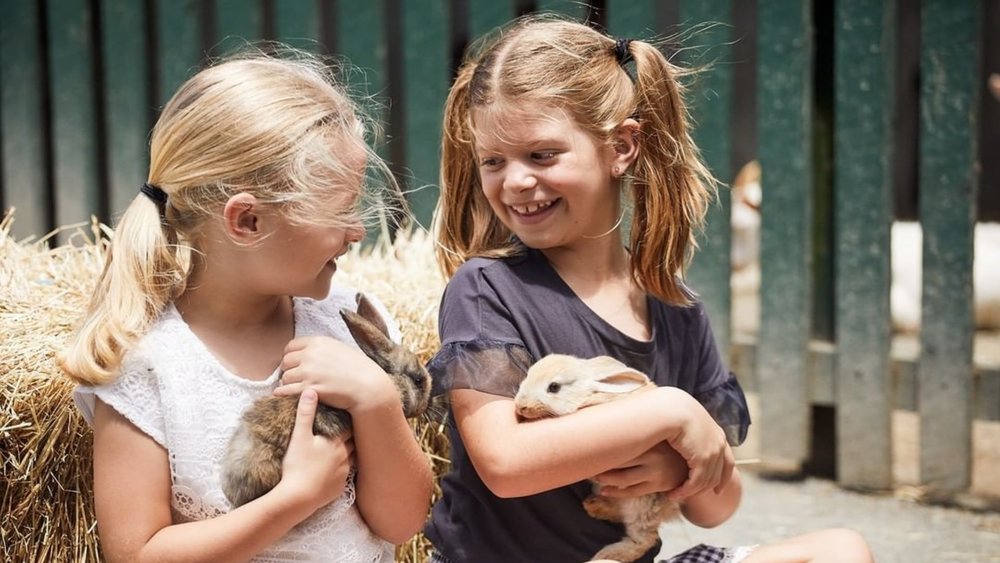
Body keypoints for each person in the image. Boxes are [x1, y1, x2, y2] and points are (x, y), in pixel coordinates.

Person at [424, 17, 874, 563]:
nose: (514, 180)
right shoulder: (487, 289)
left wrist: (678, 464)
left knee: (842, 550)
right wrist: (669, 413)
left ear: (621, 147)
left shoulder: (675, 307)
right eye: (493, 161)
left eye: (542, 155)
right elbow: (505, 464)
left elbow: (718, 506)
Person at [59, 50, 433, 562]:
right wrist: (293, 499)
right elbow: (137, 553)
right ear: (248, 222)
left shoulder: (349, 325)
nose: (357, 230)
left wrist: (376, 400)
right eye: (341, 210)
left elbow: (404, 521)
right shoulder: (148, 368)